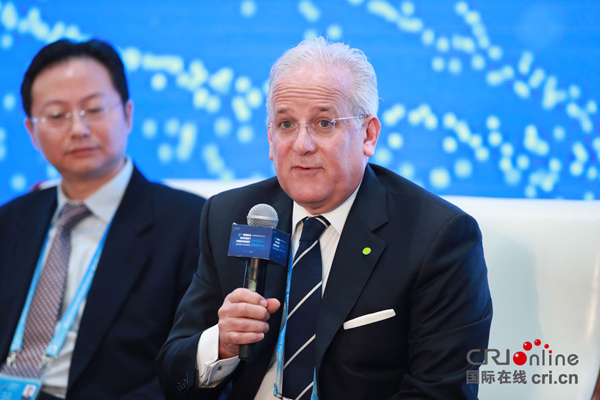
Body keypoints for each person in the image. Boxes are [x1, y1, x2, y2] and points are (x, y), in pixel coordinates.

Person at [157, 37, 492, 399]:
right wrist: (221, 345)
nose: (302, 145)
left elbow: (441, 391)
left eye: (323, 123)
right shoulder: (230, 216)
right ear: (270, 138)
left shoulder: (438, 238)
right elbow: (172, 371)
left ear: (368, 135)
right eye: (286, 124)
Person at [0, 38, 206, 399]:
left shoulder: (190, 224)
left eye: (94, 109)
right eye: (57, 115)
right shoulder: (10, 221)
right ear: (32, 131)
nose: (78, 129)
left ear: (127, 114)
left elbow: (192, 367)